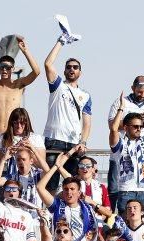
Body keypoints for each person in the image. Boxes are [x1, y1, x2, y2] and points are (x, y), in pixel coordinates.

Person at [107, 89, 144, 221]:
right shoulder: (119, 144)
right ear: (126, 128)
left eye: (140, 126)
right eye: (135, 126)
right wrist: (121, 108)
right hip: (126, 191)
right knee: (126, 229)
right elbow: (113, 128)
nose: (139, 129)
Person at [42, 40, 91, 189]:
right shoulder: (58, 86)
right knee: (51, 184)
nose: (72, 69)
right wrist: (61, 42)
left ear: (80, 72)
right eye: (69, 67)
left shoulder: (85, 95)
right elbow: (48, 64)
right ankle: (50, 212)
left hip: (73, 144)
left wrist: (83, 142)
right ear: (64, 71)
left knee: (72, 185)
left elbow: (87, 123)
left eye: (75, 67)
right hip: (54, 140)